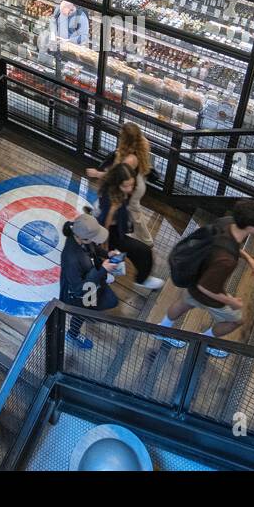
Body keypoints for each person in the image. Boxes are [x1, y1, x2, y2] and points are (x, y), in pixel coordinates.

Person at [156, 199, 254, 357]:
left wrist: (248, 258)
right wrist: (231, 301)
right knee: (236, 321)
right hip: (206, 291)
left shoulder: (228, 222)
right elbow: (206, 288)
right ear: (249, 226)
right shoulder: (226, 260)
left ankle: (163, 328)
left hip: (196, 274)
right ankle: (205, 341)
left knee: (184, 303)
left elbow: (227, 243)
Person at [96, 163, 166, 292]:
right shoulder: (111, 201)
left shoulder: (120, 190)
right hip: (110, 232)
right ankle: (139, 280)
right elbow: (106, 222)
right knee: (143, 251)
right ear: (117, 183)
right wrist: (104, 243)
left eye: (131, 185)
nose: (129, 189)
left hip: (118, 228)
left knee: (128, 252)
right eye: (125, 186)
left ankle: (109, 272)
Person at [86, 121, 156, 244]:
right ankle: (98, 215)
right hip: (138, 180)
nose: (119, 134)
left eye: (121, 135)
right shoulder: (142, 142)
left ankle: (146, 240)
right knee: (131, 209)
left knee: (132, 212)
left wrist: (96, 173)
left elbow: (114, 175)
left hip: (132, 185)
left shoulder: (129, 160)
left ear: (126, 139)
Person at [60, 212, 121, 350]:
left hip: (91, 279)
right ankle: (72, 334)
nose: (97, 240)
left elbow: (93, 247)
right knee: (82, 312)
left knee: (109, 302)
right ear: (82, 238)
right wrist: (102, 270)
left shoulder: (80, 237)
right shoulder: (71, 259)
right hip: (80, 293)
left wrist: (107, 255)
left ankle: (89, 314)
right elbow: (78, 289)